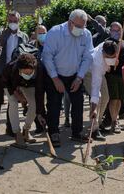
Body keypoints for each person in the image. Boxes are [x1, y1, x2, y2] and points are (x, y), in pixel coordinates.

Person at [42, 9, 94, 147]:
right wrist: (54, 78)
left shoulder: (86, 34)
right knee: (54, 105)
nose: (81, 29)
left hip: (75, 75)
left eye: (83, 26)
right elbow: (47, 56)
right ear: (70, 23)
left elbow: (88, 57)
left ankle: (77, 132)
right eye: (78, 26)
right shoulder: (55, 32)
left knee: (78, 103)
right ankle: (54, 132)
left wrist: (79, 77)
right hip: (55, 74)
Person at [0, 11, 29, 141]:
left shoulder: (24, 36)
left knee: (12, 103)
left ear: (19, 21)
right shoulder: (0, 34)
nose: (13, 23)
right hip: (0, 73)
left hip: (14, 75)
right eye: (10, 21)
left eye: (15, 21)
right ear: (7, 21)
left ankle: (10, 128)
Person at [1, 53, 46, 146]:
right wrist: (16, 93)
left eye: (30, 73)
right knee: (13, 103)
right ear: (19, 69)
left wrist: (40, 113)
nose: (28, 74)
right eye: (25, 73)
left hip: (30, 85)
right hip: (11, 84)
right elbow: (6, 82)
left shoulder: (40, 68)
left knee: (34, 104)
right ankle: (17, 133)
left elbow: (40, 91)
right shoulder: (10, 67)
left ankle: (26, 130)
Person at [83, 41, 118, 141]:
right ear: (103, 53)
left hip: (102, 74)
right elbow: (95, 89)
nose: (111, 59)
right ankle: (94, 129)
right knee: (98, 98)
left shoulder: (110, 45)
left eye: (113, 56)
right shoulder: (97, 62)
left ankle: (98, 122)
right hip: (90, 73)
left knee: (106, 97)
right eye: (108, 57)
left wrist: (112, 63)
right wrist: (93, 108)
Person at [104, 22, 124, 134]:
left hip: (121, 75)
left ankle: (116, 118)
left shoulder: (123, 43)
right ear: (110, 31)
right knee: (113, 99)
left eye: (118, 30)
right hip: (111, 75)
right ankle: (114, 121)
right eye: (114, 30)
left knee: (119, 99)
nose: (117, 32)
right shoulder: (107, 43)